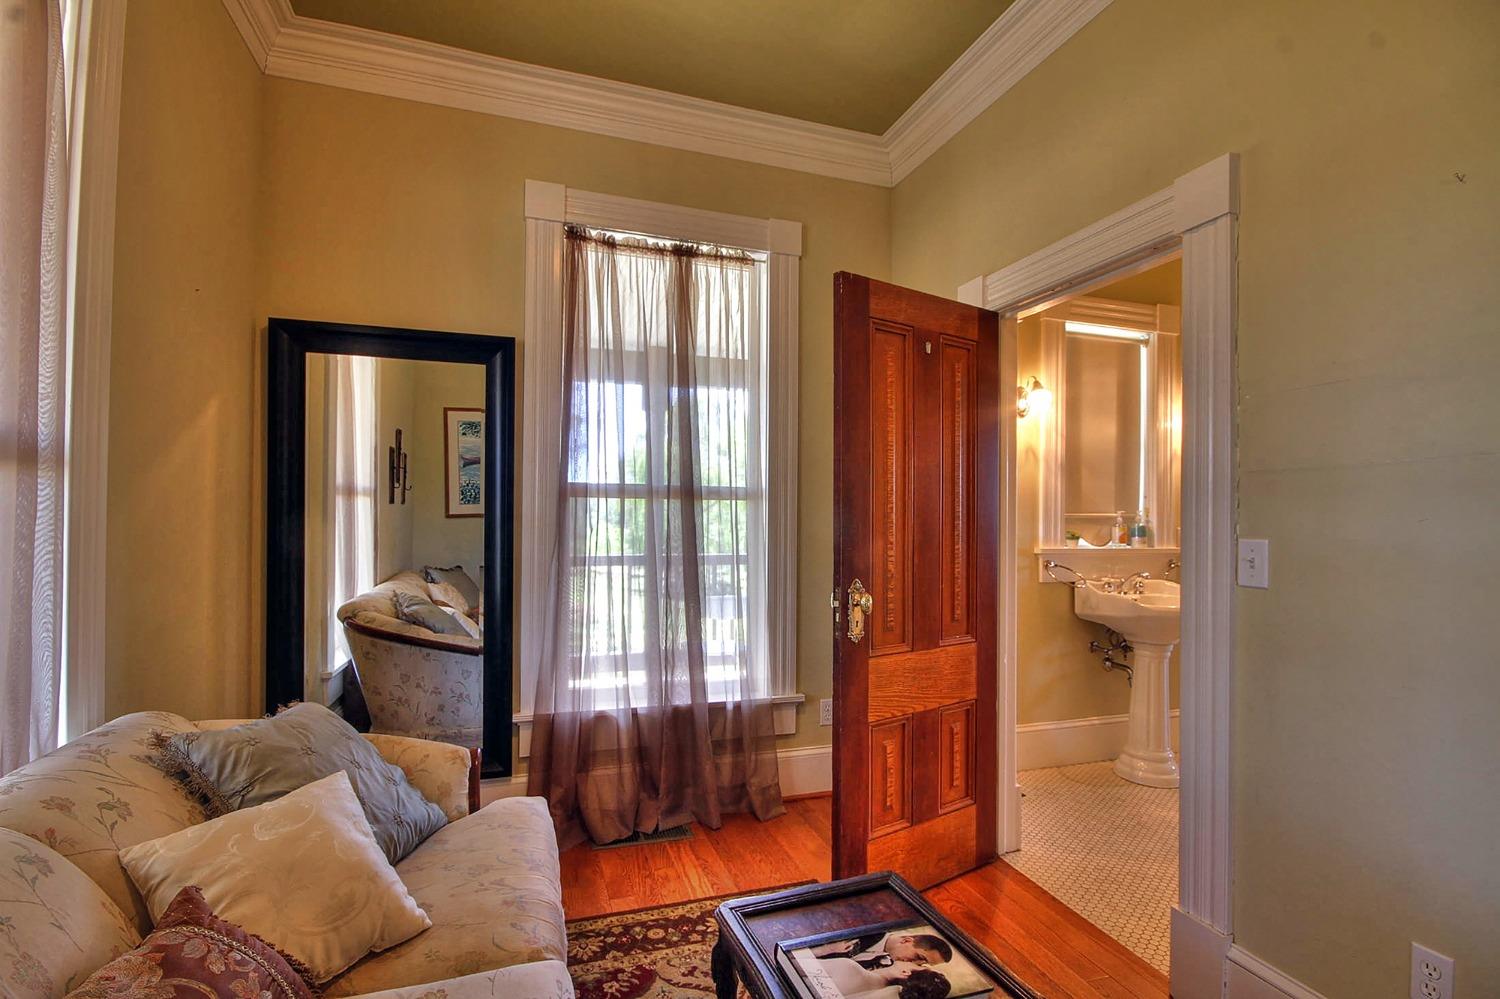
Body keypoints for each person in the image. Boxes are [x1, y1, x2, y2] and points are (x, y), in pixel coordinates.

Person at [811, 932, 953, 970]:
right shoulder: (869, 929)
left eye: (923, 964)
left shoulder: (888, 968)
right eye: (919, 956)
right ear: (907, 940)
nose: (915, 963)